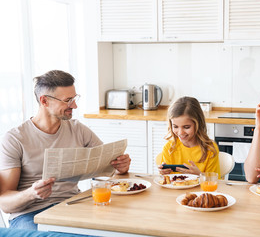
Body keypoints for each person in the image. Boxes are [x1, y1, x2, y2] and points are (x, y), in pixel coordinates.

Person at [0, 70, 131, 230]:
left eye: (75, 99)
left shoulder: (78, 130)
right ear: (44, 101)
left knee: (120, 228)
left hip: (71, 205)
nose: (74, 106)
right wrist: (32, 193)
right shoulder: (15, 139)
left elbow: (109, 170)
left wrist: (121, 168)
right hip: (29, 214)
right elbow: (5, 203)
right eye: (68, 100)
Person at [158, 96, 220, 176]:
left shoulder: (210, 149)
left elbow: (214, 182)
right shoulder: (169, 148)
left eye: (186, 127)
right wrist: (163, 174)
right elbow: (167, 181)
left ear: (198, 124)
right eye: (175, 126)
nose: (180, 133)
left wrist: (200, 175)